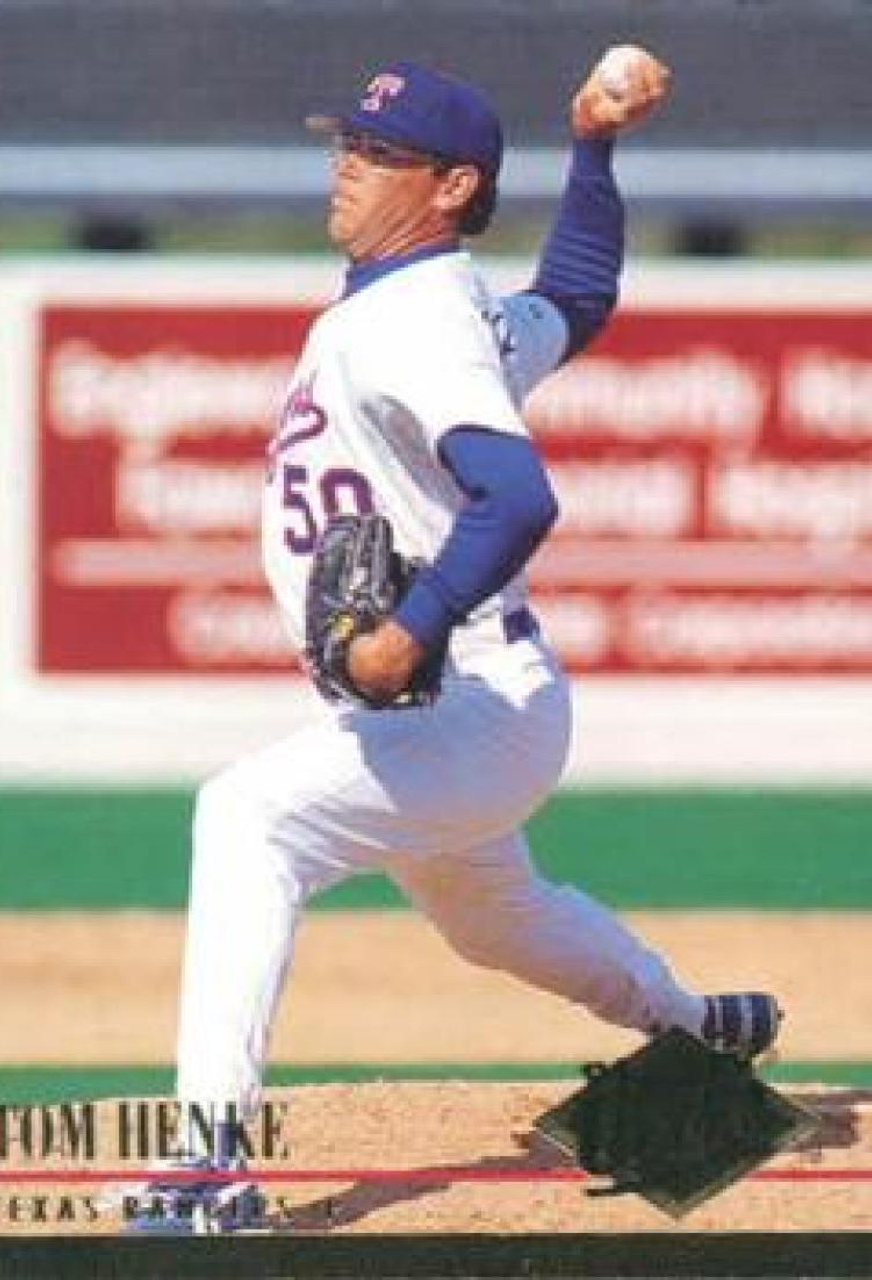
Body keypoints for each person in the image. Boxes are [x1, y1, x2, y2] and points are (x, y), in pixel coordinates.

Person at [130, 51, 781, 1233]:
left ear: (446, 186)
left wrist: (409, 627)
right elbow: (577, 296)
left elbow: (518, 498)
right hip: (453, 708)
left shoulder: (416, 322)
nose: (346, 162)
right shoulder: (452, 307)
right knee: (492, 918)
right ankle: (694, 1027)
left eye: (379, 153)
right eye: (347, 140)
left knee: (246, 815)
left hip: (470, 692)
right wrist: (591, 149)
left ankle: (210, 1163)